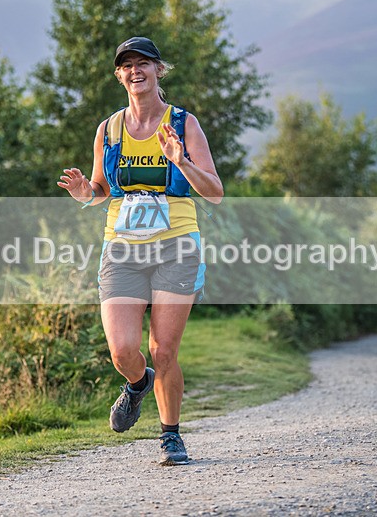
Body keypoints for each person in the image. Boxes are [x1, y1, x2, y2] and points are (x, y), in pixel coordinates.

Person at [57, 36, 223, 466]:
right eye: (127, 65)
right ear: (119, 76)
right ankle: (136, 385)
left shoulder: (183, 124)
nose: (135, 70)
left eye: (143, 63)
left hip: (176, 248)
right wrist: (83, 193)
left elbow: (215, 192)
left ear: (158, 70)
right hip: (122, 251)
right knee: (123, 352)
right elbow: (101, 190)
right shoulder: (108, 129)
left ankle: (170, 436)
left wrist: (180, 160)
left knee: (163, 350)